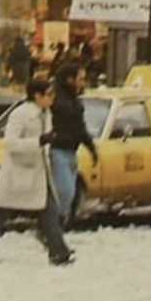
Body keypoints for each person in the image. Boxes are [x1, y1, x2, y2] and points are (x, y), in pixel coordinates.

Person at [0, 78, 74, 266]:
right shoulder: (20, 114)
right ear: (37, 96)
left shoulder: (47, 114)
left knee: (48, 211)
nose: (52, 98)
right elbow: (10, 143)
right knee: (2, 211)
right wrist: (38, 141)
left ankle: (59, 252)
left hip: (38, 171)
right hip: (18, 171)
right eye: (48, 94)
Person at [49, 65, 98, 223]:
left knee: (69, 193)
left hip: (71, 151)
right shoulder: (55, 98)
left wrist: (91, 148)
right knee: (65, 191)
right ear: (70, 80)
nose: (83, 83)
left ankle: (56, 226)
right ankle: (52, 225)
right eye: (80, 79)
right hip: (57, 149)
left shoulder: (74, 100)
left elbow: (80, 127)